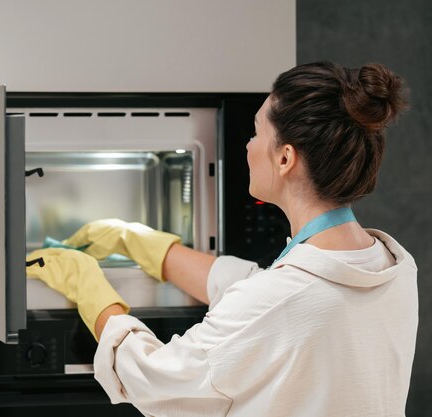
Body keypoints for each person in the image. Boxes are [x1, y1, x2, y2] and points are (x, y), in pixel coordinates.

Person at [27, 61, 418, 417]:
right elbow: (267, 293)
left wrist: (90, 288)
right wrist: (138, 242)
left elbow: (152, 379)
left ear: (284, 159)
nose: (247, 146)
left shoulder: (281, 300)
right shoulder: (392, 268)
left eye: (256, 132)